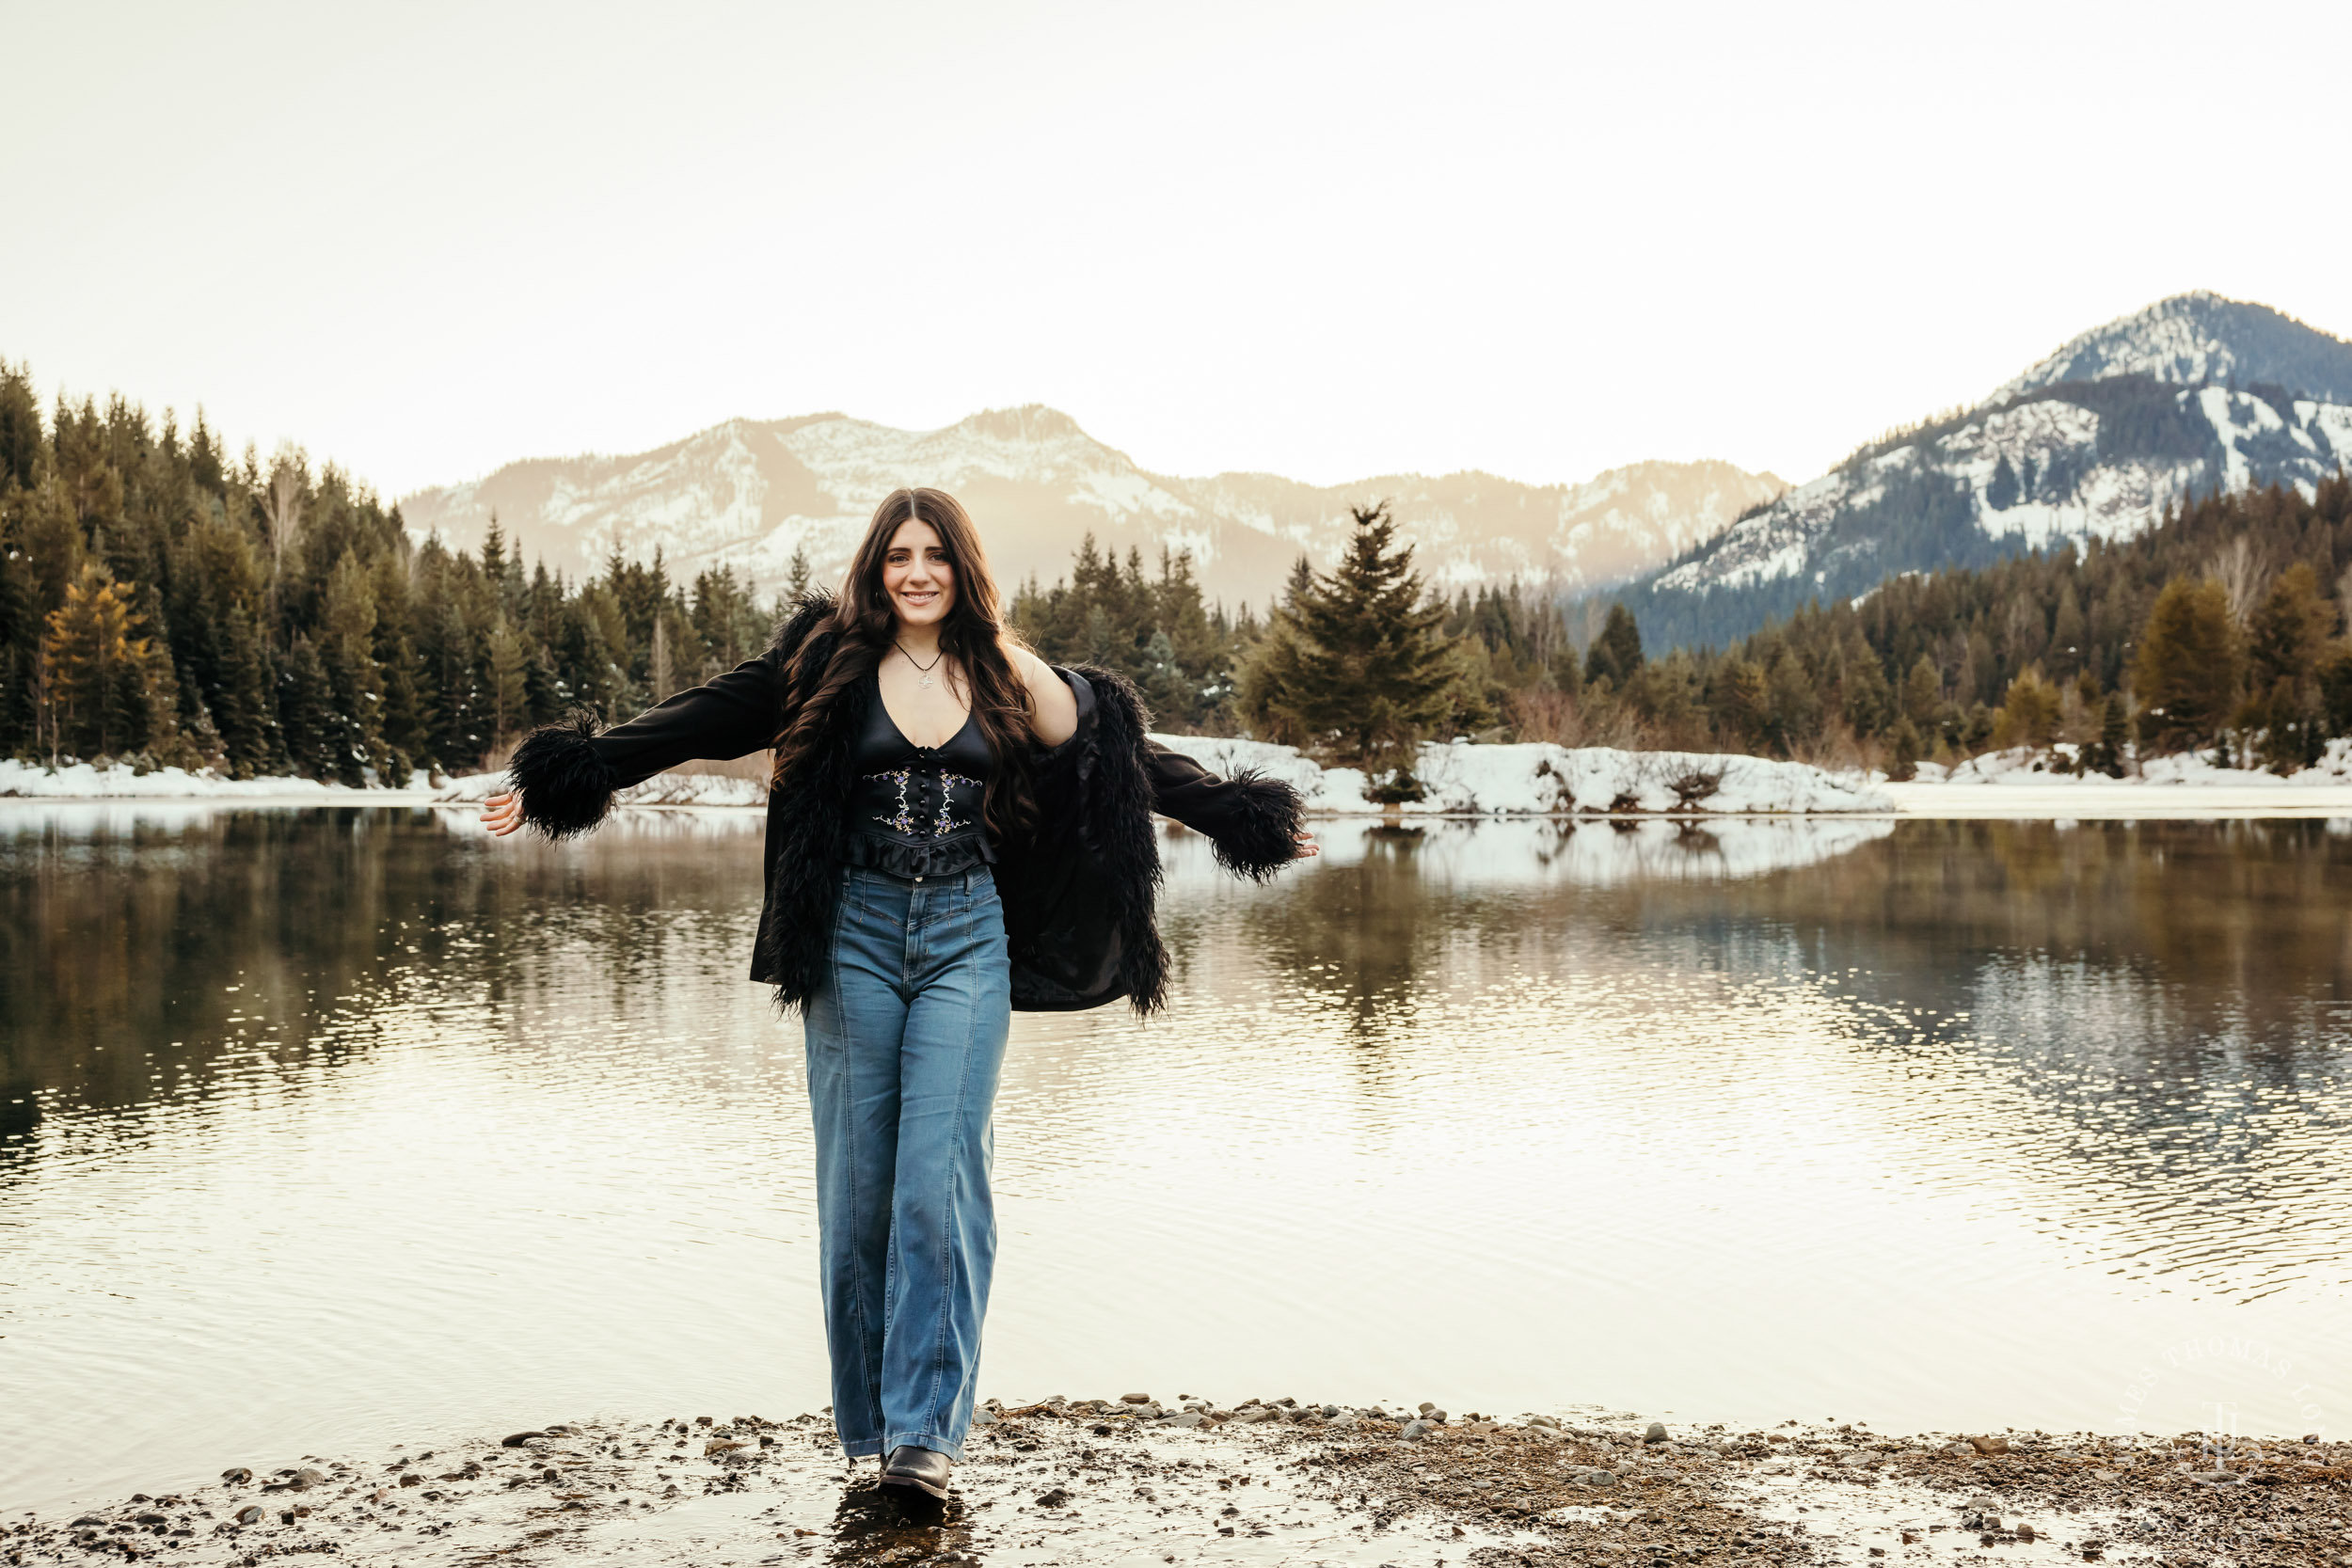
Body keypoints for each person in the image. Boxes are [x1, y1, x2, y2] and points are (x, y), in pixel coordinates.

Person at [480, 486, 1314, 1499]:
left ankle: (927, 1438)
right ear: (875, 568)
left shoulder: (1004, 671)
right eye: (897, 555)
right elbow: (692, 722)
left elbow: (1118, 752)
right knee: (860, 1191)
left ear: (963, 566)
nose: (916, 571)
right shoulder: (823, 661)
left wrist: (1238, 813)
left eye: (934, 555)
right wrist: (563, 774)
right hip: (851, 935)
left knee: (938, 1179)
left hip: (968, 932)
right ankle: (873, 1427)